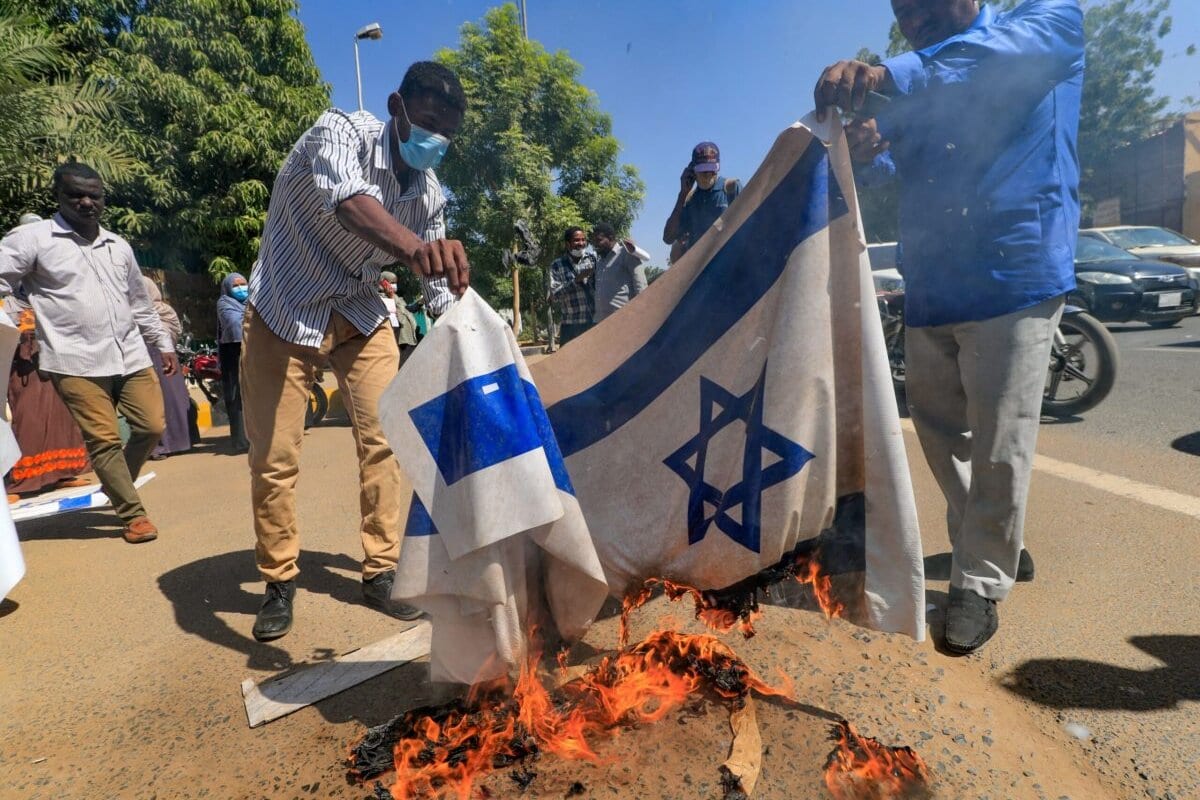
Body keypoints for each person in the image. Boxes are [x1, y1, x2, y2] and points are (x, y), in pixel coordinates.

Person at [814, 0, 1083, 653]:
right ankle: (989, 540)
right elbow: (894, 163)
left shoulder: (1047, 21)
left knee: (999, 439)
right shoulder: (918, 81)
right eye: (903, 10)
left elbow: (983, 64)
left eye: (926, 1)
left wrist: (886, 77)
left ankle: (980, 581)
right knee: (940, 434)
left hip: (1012, 273)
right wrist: (866, 151)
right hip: (933, 282)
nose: (916, 19)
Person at [242, 60, 471, 641]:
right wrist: (417, 250)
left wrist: (469, 326)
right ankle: (279, 580)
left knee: (386, 441)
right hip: (285, 305)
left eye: (447, 134)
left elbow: (438, 290)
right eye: (426, 123)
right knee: (275, 456)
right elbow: (349, 203)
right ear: (396, 107)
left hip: (360, 313)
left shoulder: (429, 195)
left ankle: (380, 570)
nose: (435, 141)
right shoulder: (339, 131)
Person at [0, 162, 178, 543]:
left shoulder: (118, 245)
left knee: (151, 426)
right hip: (74, 360)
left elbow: (140, 302)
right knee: (104, 439)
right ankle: (133, 514)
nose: (85, 202)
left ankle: (116, 483)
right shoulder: (34, 239)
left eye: (93, 196)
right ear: (58, 196)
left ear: (102, 198)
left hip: (130, 354)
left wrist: (163, 343)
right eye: (75, 195)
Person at [3, 288, 89, 498]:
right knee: (28, 420)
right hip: (22, 369)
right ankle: (18, 481)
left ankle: (62, 473)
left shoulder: (47, 296)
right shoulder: (6, 302)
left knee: (61, 418)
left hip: (53, 362)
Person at [662, 141, 740, 260]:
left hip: (729, 261)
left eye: (712, 169)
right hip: (700, 266)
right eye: (703, 170)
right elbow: (668, 238)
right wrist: (682, 194)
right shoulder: (689, 200)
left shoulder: (731, 188)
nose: (708, 174)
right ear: (693, 171)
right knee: (676, 248)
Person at [142, 277, 192, 459]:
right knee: (171, 400)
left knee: (163, 401)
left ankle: (166, 445)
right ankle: (180, 442)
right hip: (166, 357)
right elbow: (175, 330)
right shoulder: (164, 311)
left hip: (156, 358)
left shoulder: (150, 313)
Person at [216, 272, 250, 454]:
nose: (240, 288)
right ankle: (240, 441)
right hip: (233, 355)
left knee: (254, 395)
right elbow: (234, 324)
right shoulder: (224, 303)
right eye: (235, 286)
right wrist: (251, 320)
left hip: (252, 352)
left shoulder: (252, 302)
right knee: (236, 396)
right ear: (228, 288)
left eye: (243, 284)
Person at [590, 223, 650, 324]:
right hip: (600, 321)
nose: (595, 244)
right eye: (594, 241)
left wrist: (641, 312)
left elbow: (640, 285)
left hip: (623, 319)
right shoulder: (600, 261)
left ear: (610, 238)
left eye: (599, 240)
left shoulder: (626, 253)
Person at [548, 226, 596, 344]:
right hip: (570, 325)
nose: (581, 243)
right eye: (576, 240)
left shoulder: (593, 259)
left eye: (583, 240)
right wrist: (576, 281)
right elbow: (554, 295)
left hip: (593, 322)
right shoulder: (557, 265)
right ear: (568, 244)